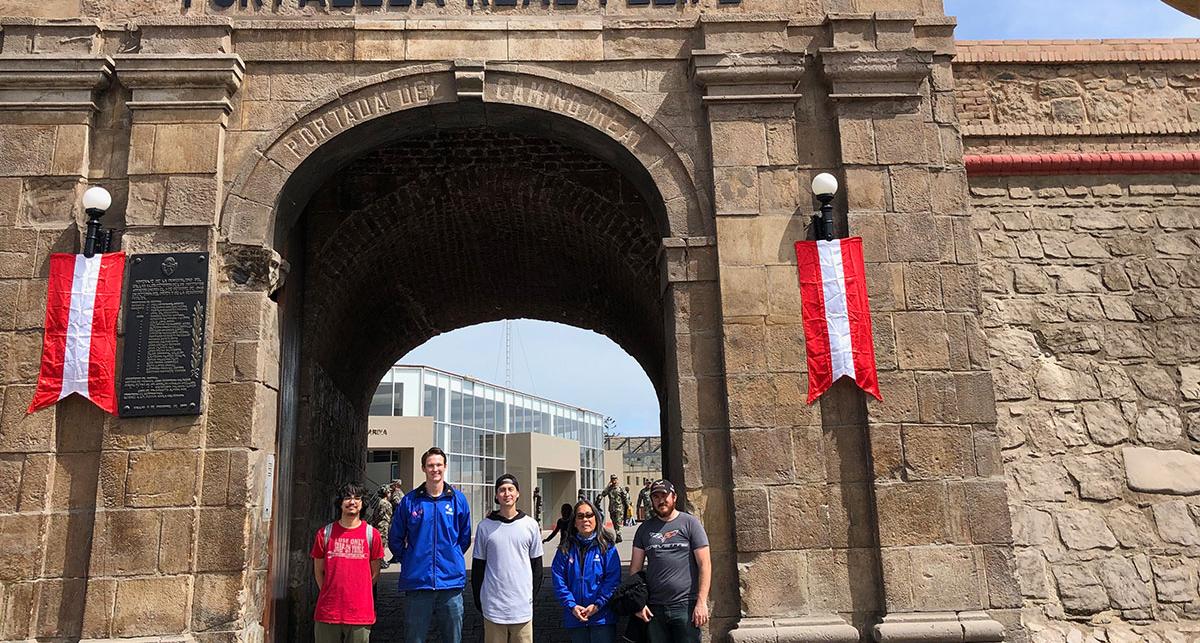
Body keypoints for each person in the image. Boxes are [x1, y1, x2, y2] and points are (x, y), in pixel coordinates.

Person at [389, 447, 472, 643]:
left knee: (453, 638)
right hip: (418, 584)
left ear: (445, 467)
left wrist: (452, 557)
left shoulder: (458, 500)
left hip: (450, 583)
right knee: (414, 638)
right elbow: (395, 538)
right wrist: (410, 559)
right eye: (430, 465)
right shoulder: (409, 501)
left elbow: (464, 538)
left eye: (438, 465)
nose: (435, 469)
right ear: (423, 468)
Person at [630, 480, 711, 643]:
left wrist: (701, 602)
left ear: (674, 497)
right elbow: (635, 570)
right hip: (654, 608)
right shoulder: (644, 529)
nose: (661, 500)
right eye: (656, 497)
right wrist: (638, 603)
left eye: (664, 496)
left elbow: (705, 565)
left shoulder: (690, 523)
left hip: (685, 606)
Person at [472, 474, 544, 643]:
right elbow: (478, 569)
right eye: (502, 490)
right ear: (497, 495)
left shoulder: (530, 525)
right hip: (493, 608)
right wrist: (479, 599)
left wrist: (530, 597)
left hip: (522, 608)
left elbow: (537, 568)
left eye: (511, 489)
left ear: (518, 493)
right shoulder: (485, 526)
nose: (507, 493)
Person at [310, 482, 385, 643]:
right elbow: (318, 571)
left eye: (357, 498)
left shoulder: (372, 535)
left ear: (363, 502)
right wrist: (330, 594)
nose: (352, 502)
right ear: (340, 502)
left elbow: (375, 573)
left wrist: (358, 593)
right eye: (347, 498)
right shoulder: (325, 533)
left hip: (360, 614)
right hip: (328, 612)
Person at [551, 498, 622, 643]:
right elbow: (558, 579)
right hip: (575, 617)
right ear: (575, 522)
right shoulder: (565, 548)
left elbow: (613, 580)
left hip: (602, 618)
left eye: (589, 515)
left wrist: (597, 605)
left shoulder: (606, 547)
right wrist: (572, 606)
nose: (585, 519)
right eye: (580, 516)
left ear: (596, 519)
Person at [367, 485, 394, 569]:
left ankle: (380, 559)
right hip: (383, 524)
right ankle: (380, 560)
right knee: (382, 542)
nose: (390, 494)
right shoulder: (385, 503)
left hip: (380, 524)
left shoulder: (380, 502)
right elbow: (381, 514)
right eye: (389, 492)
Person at [597, 475, 630, 543]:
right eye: (612, 479)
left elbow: (625, 498)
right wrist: (608, 485)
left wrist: (628, 506)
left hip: (619, 508)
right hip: (612, 508)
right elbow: (603, 494)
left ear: (617, 479)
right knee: (614, 522)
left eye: (615, 479)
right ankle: (617, 534)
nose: (613, 480)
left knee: (618, 522)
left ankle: (618, 535)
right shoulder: (609, 489)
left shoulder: (620, 489)